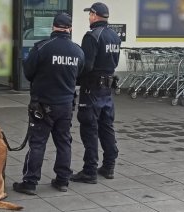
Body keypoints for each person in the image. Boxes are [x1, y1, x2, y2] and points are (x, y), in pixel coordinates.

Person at [13, 12, 84, 194]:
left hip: (42, 106)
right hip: (66, 105)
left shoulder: (42, 47)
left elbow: (28, 73)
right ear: (70, 28)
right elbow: (79, 75)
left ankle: (30, 182)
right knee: (64, 142)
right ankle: (62, 180)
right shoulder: (77, 50)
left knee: (37, 143)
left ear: (53, 27)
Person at [70, 2, 121, 184]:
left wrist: (74, 79)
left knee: (89, 129)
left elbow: (87, 65)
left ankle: (89, 170)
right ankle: (109, 166)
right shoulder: (114, 36)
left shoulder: (92, 36)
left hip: (91, 89)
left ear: (93, 15)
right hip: (107, 89)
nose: (89, 17)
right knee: (106, 127)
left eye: (90, 14)